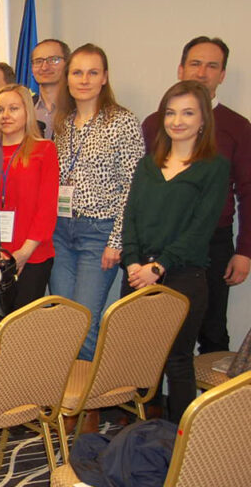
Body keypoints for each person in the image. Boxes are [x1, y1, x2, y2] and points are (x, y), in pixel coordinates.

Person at [121, 80, 228, 423]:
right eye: (170, 112)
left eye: (187, 113)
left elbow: (200, 229)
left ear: (202, 121)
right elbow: (131, 219)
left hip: (183, 277)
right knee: (138, 361)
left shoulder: (214, 167)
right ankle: (141, 439)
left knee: (176, 361)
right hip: (139, 276)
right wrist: (134, 262)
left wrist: (159, 266)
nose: (177, 121)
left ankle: (179, 444)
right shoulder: (147, 165)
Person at [141, 36, 251, 355]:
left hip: (211, 245)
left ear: (222, 75)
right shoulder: (154, 125)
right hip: (159, 244)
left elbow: (247, 191)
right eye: (195, 64)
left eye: (212, 66)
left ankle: (214, 406)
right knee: (152, 332)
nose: (202, 72)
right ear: (180, 69)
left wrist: (244, 251)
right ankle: (153, 404)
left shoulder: (237, 127)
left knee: (212, 328)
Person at [49, 43, 144, 364]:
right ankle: (63, 402)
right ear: (68, 78)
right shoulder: (62, 122)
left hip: (99, 233)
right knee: (62, 320)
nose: (84, 79)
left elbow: (134, 188)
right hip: (61, 231)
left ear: (104, 78)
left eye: (93, 72)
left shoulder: (122, 122)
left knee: (86, 323)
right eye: (77, 72)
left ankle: (83, 408)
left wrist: (117, 241)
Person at [0, 84, 59, 369]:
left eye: (13, 108)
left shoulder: (44, 150)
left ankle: (18, 395)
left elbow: (46, 207)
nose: (5, 115)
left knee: (20, 331)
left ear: (27, 111)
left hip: (33, 257)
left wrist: (24, 253)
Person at [31, 39, 71, 138]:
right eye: (38, 61)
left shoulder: (78, 107)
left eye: (53, 60)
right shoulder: (24, 108)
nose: (44, 67)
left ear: (68, 64)